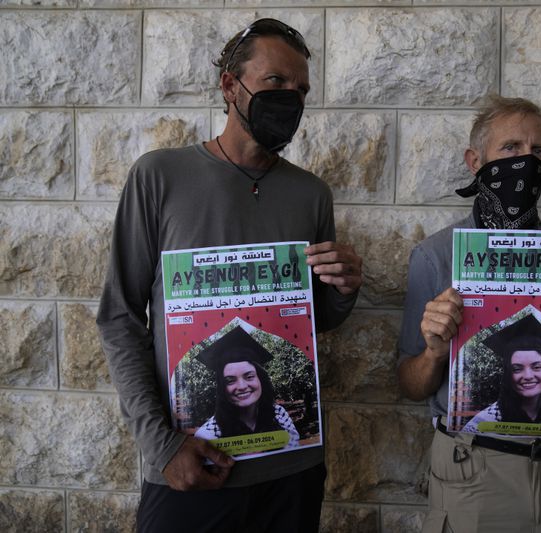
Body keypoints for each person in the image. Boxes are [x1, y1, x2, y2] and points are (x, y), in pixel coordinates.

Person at [96, 18, 362, 533]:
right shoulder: (159, 177)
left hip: (292, 469)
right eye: (276, 83)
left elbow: (314, 322)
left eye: (302, 89)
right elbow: (119, 317)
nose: (291, 98)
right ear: (229, 86)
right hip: (190, 465)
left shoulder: (312, 194)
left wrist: (345, 289)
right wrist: (163, 445)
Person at [397, 94, 541, 532]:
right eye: (510, 148)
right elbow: (408, 384)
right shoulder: (435, 255)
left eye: (537, 151)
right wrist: (433, 353)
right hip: (474, 471)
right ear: (475, 160)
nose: (526, 161)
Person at [461, 314, 541, 439]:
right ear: (508, 376)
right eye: (517, 369)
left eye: (536, 367)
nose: (528, 376)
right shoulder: (486, 421)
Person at [193, 326, 300, 448]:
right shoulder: (208, 436)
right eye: (230, 380)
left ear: (261, 379)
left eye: (249, 377)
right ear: (222, 388)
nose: (242, 386)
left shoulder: (279, 414)